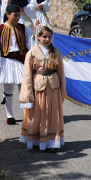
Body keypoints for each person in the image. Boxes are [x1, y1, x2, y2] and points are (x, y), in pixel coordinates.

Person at [0, 4, 35, 125]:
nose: (17, 18)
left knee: (24, 89)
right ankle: (9, 115)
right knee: (8, 89)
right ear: (7, 15)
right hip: (6, 62)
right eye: (15, 15)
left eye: (18, 15)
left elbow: (31, 43)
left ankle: (26, 114)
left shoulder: (23, 28)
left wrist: (36, 32)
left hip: (21, 61)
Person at [19, 24, 66, 152]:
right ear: (38, 37)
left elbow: (61, 73)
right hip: (38, 88)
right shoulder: (32, 52)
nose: (47, 39)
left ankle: (51, 142)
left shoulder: (56, 52)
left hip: (53, 88)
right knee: (38, 114)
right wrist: (27, 96)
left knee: (53, 115)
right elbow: (27, 75)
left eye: (49, 37)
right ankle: (36, 139)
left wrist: (62, 92)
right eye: (44, 37)